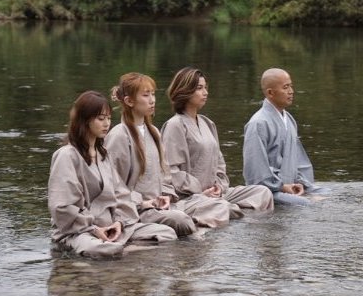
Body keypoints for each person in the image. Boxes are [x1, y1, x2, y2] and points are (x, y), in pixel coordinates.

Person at [48, 90, 177, 259]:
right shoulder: (66, 155)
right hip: (78, 232)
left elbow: (121, 195)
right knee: (106, 250)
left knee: (167, 233)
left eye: (109, 118)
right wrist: (93, 229)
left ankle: (122, 248)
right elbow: (62, 207)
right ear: (84, 120)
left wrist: (119, 222)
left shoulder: (104, 155)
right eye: (101, 119)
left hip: (111, 227)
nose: (106, 124)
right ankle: (120, 249)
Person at [161, 67, 274, 224]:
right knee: (220, 207)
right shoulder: (175, 125)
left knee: (262, 193)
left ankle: (245, 225)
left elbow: (219, 163)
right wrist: (200, 190)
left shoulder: (208, 123)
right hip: (190, 197)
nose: (205, 92)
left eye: (205, 87)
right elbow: (171, 172)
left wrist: (219, 187)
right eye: (199, 88)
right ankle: (229, 218)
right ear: (185, 91)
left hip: (215, 194)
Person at [105, 72, 197, 237]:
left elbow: (165, 174)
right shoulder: (118, 136)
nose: (152, 100)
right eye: (146, 95)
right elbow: (113, 187)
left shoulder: (154, 132)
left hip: (158, 206)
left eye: (153, 94)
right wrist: (143, 202)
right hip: (135, 211)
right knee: (182, 221)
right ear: (129, 101)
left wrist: (166, 196)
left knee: (210, 207)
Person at [243, 68, 327, 206]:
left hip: (290, 186)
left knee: (330, 194)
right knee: (309, 204)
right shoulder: (258, 123)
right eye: (286, 87)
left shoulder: (289, 120)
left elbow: (298, 161)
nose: (291, 91)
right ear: (270, 93)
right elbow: (256, 171)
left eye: (291, 86)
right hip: (268, 190)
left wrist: (300, 184)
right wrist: (281, 186)